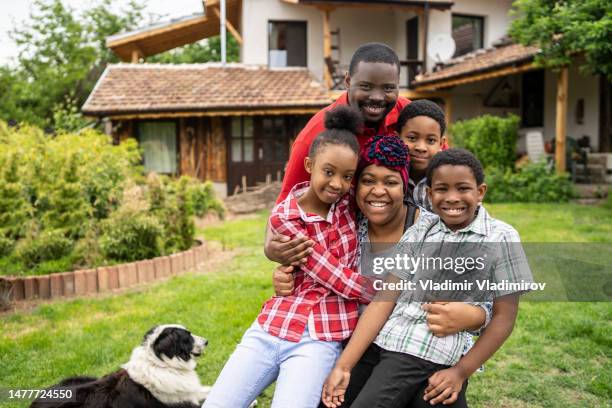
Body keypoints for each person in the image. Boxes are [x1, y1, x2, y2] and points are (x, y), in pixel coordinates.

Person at [272, 136, 490, 407]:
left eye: (390, 182)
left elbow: (481, 294)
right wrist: (283, 266)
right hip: (360, 347)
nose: (378, 191)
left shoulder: (433, 229)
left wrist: (475, 316)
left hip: (422, 352)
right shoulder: (347, 226)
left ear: (404, 186)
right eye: (367, 180)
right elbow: (309, 257)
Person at [322, 149, 533, 408]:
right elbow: (384, 299)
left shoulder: (502, 237)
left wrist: (460, 372)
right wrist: (343, 366)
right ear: (430, 195)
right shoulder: (423, 229)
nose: (452, 198)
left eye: (463, 188)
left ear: (480, 192)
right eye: (442, 189)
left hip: (422, 348)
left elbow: (504, 317)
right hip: (385, 341)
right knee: (333, 400)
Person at [203, 106, 374, 408]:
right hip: (271, 328)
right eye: (328, 172)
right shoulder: (286, 216)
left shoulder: (349, 203)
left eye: (347, 176)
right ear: (309, 165)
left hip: (320, 337)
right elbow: (331, 274)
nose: (337, 184)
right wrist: (384, 292)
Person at [266, 42, 410, 266]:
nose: (377, 97)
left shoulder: (409, 118)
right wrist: (271, 247)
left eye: (388, 88)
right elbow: (286, 202)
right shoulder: (316, 136)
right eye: (366, 86)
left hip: (406, 230)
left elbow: (442, 167)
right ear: (348, 81)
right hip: (346, 246)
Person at [397, 99, 447, 211]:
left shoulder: (447, 178)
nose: (420, 147)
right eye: (412, 138)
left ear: (441, 144)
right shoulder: (391, 174)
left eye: (430, 140)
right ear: (397, 137)